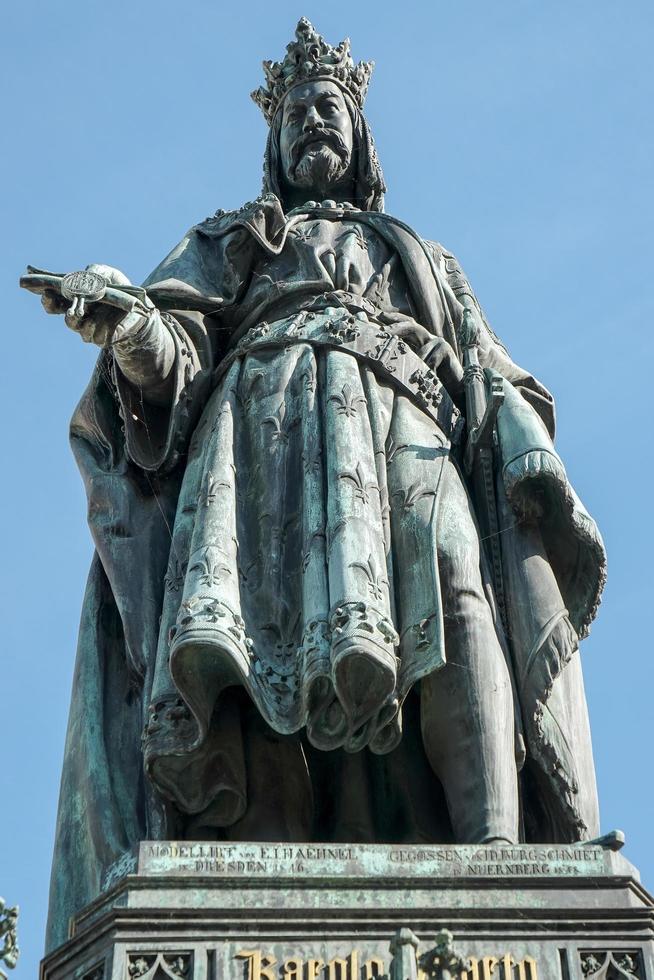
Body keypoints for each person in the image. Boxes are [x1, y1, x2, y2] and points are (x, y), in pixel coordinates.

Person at [31, 20, 605, 952]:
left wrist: (525, 437)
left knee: (460, 590)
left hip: (405, 431)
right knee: (251, 642)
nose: (311, 125)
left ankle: (496, 845)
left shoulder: (421, 257)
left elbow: (487, 367)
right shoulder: (234, 242)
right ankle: (258, 859)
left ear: (359, 132)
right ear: (275, 142)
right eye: (294, 114)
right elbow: (174, 354)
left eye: (327, 108)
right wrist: (132, 326)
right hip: (257, 450)